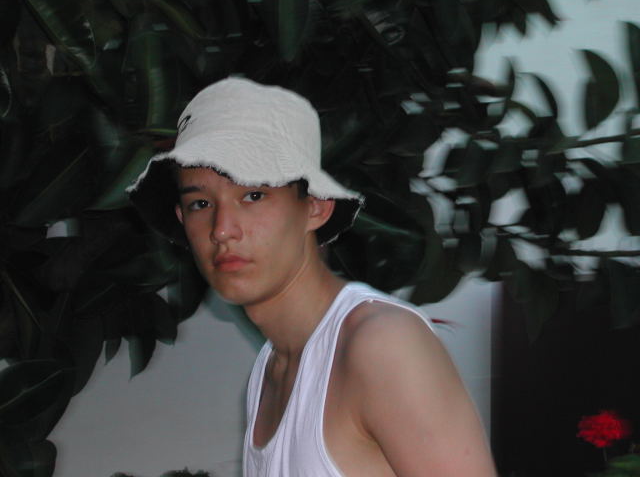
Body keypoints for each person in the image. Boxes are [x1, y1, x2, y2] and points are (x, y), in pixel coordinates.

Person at [128, 77, 496, 476]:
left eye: (253, 195)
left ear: (316, 208)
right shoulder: (272, 368)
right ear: (182, 220)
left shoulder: (381, 343)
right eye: (200, 204)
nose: (222, 230)